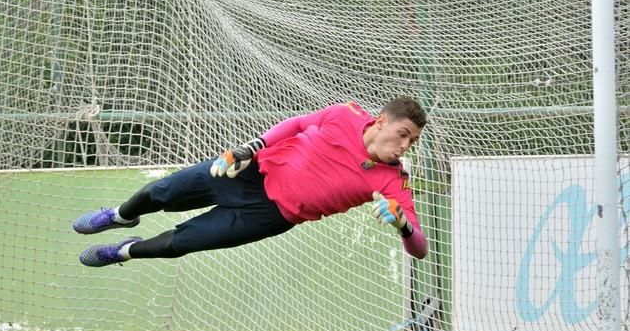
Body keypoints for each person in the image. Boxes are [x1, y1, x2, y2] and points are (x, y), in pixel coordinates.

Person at [73, 97, 429, 266]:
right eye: (402, 134)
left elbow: (420, 248)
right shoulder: (344, 115)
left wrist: (402, 226)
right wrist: (248, 148)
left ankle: (122, 251)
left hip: (270, 216)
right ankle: (120, 215)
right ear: (381, 122)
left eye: (411, 142)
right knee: (159, 192)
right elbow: (296, 124)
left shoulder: (393, 180)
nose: (403, 146)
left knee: (180, 243)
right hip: (248, 173)